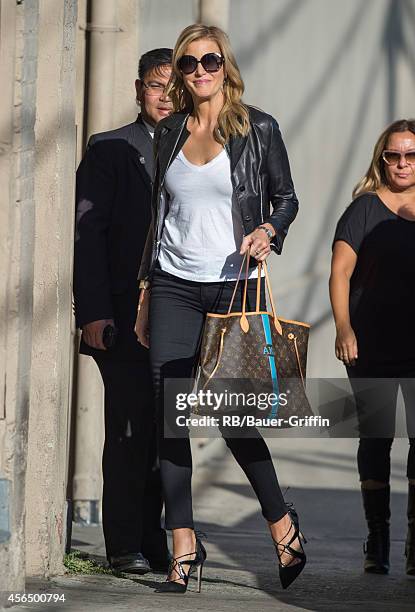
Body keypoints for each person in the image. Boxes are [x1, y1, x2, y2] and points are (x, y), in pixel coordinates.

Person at [135, 24, 306, 593]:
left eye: (210, 60)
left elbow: (287, 198)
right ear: (180, 74)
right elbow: (157, 221)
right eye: (189, 63)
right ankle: (183, 540)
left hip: (233, 286)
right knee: (171, 412)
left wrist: (268, 231)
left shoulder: (256, 127)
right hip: (174, 285)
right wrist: (144, 294)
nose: (200, 71)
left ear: (225, 66)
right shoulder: (168, 133)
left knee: (233, 419)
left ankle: (280, 520)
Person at [73, 48, 173, 573]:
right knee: (129, 431)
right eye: (156, 86)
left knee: (166, 434)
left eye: (172, 87)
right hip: (121, 314)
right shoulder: (110, 148)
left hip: (179, 316)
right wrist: (92, 311)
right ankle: (123, 544)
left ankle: (154, 539)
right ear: (139, 90)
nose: (165, 96)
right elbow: (88, 237)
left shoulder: (200, 151)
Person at [330, 119, 415, 576]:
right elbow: (340, 272)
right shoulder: (364, 209)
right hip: (371, 345)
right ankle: (377, 539)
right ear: (381, 158)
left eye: (411, 155)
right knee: (376, 438)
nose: (402, 164)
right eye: (393, 155)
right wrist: (344, 328)